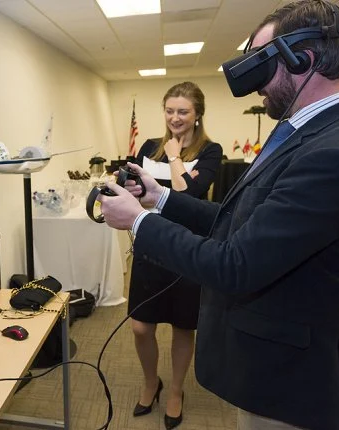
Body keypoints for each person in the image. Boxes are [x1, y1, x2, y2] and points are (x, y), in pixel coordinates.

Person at [98, 1, 339, 429]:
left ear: (302, 60)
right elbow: (240, 221)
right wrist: (160, 198)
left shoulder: (333, 153)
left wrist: (137, 221)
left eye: (263, 67)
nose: (257, 87)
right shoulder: (313, 133)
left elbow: (236, 264)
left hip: (295, 382)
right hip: (277, 364)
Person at [128, 81, 222, 429]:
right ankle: (152, 380)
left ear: (197, 115)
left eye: (183, 111)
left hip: (187, 247)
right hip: (151, 242)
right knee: (140, 326)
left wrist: (173, 156)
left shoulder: (211, 150)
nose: (175, 117)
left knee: (183, 326)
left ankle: (176, 391)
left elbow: (189, 194)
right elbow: (140, 194)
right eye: (170, 110)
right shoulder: (148, 146)